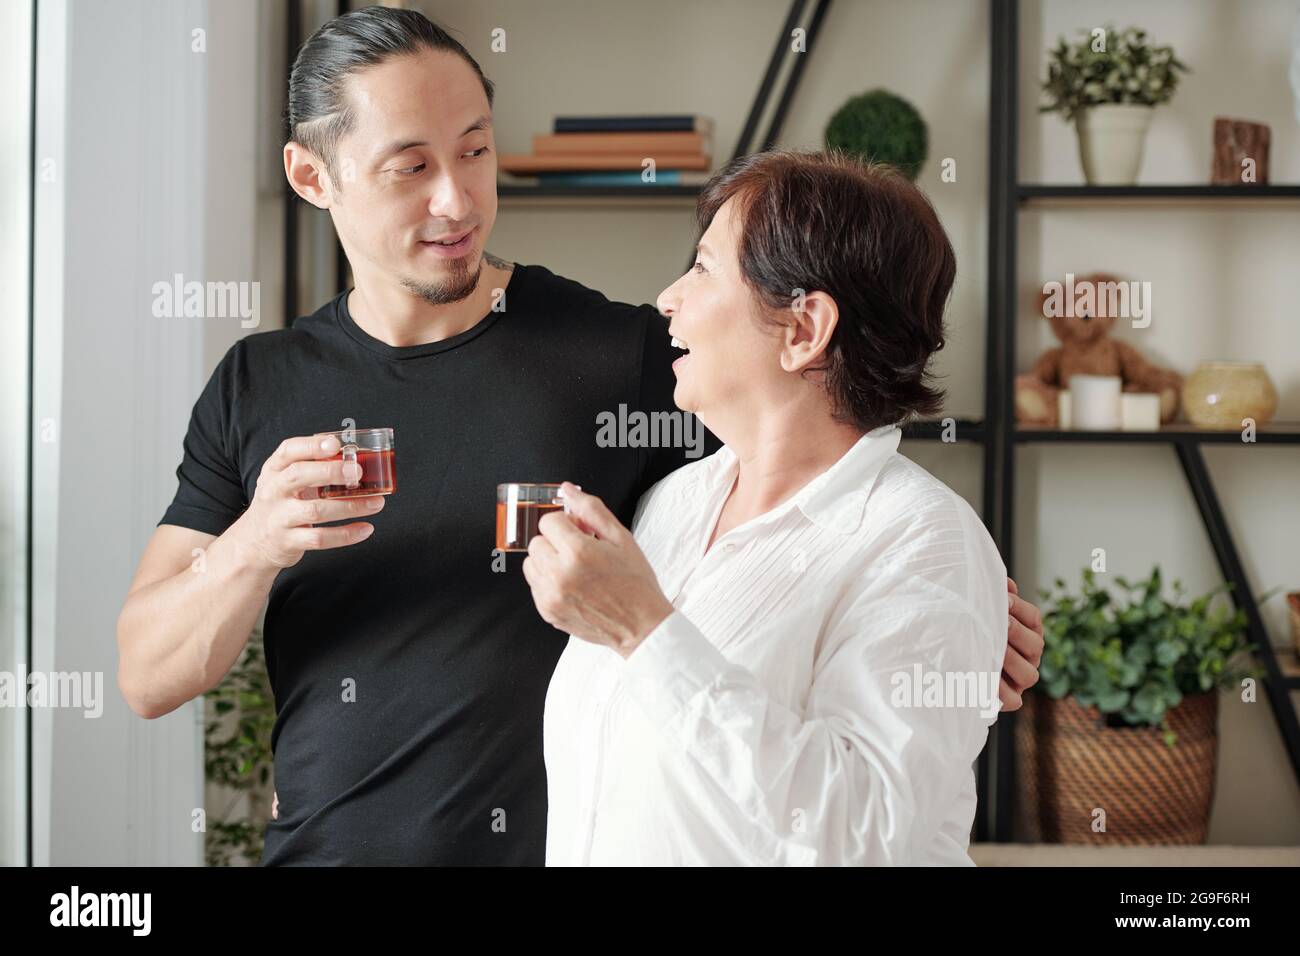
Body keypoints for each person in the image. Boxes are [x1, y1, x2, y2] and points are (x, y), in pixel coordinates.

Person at [116, 6, 1043, 866]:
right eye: (412, 167)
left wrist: (961, 642)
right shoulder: (259, 384)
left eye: (475, 151)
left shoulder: (622, 355)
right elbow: (147, 675)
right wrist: (254, 545)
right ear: (313, 177)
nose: (458, 200)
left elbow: (816, 469)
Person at [527, 150, 1015, 865]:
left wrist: (647, 632)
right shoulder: (676, 502)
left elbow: (867, 838)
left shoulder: (925, 545)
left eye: (702, 267)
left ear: (802, 330)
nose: (667, 298)